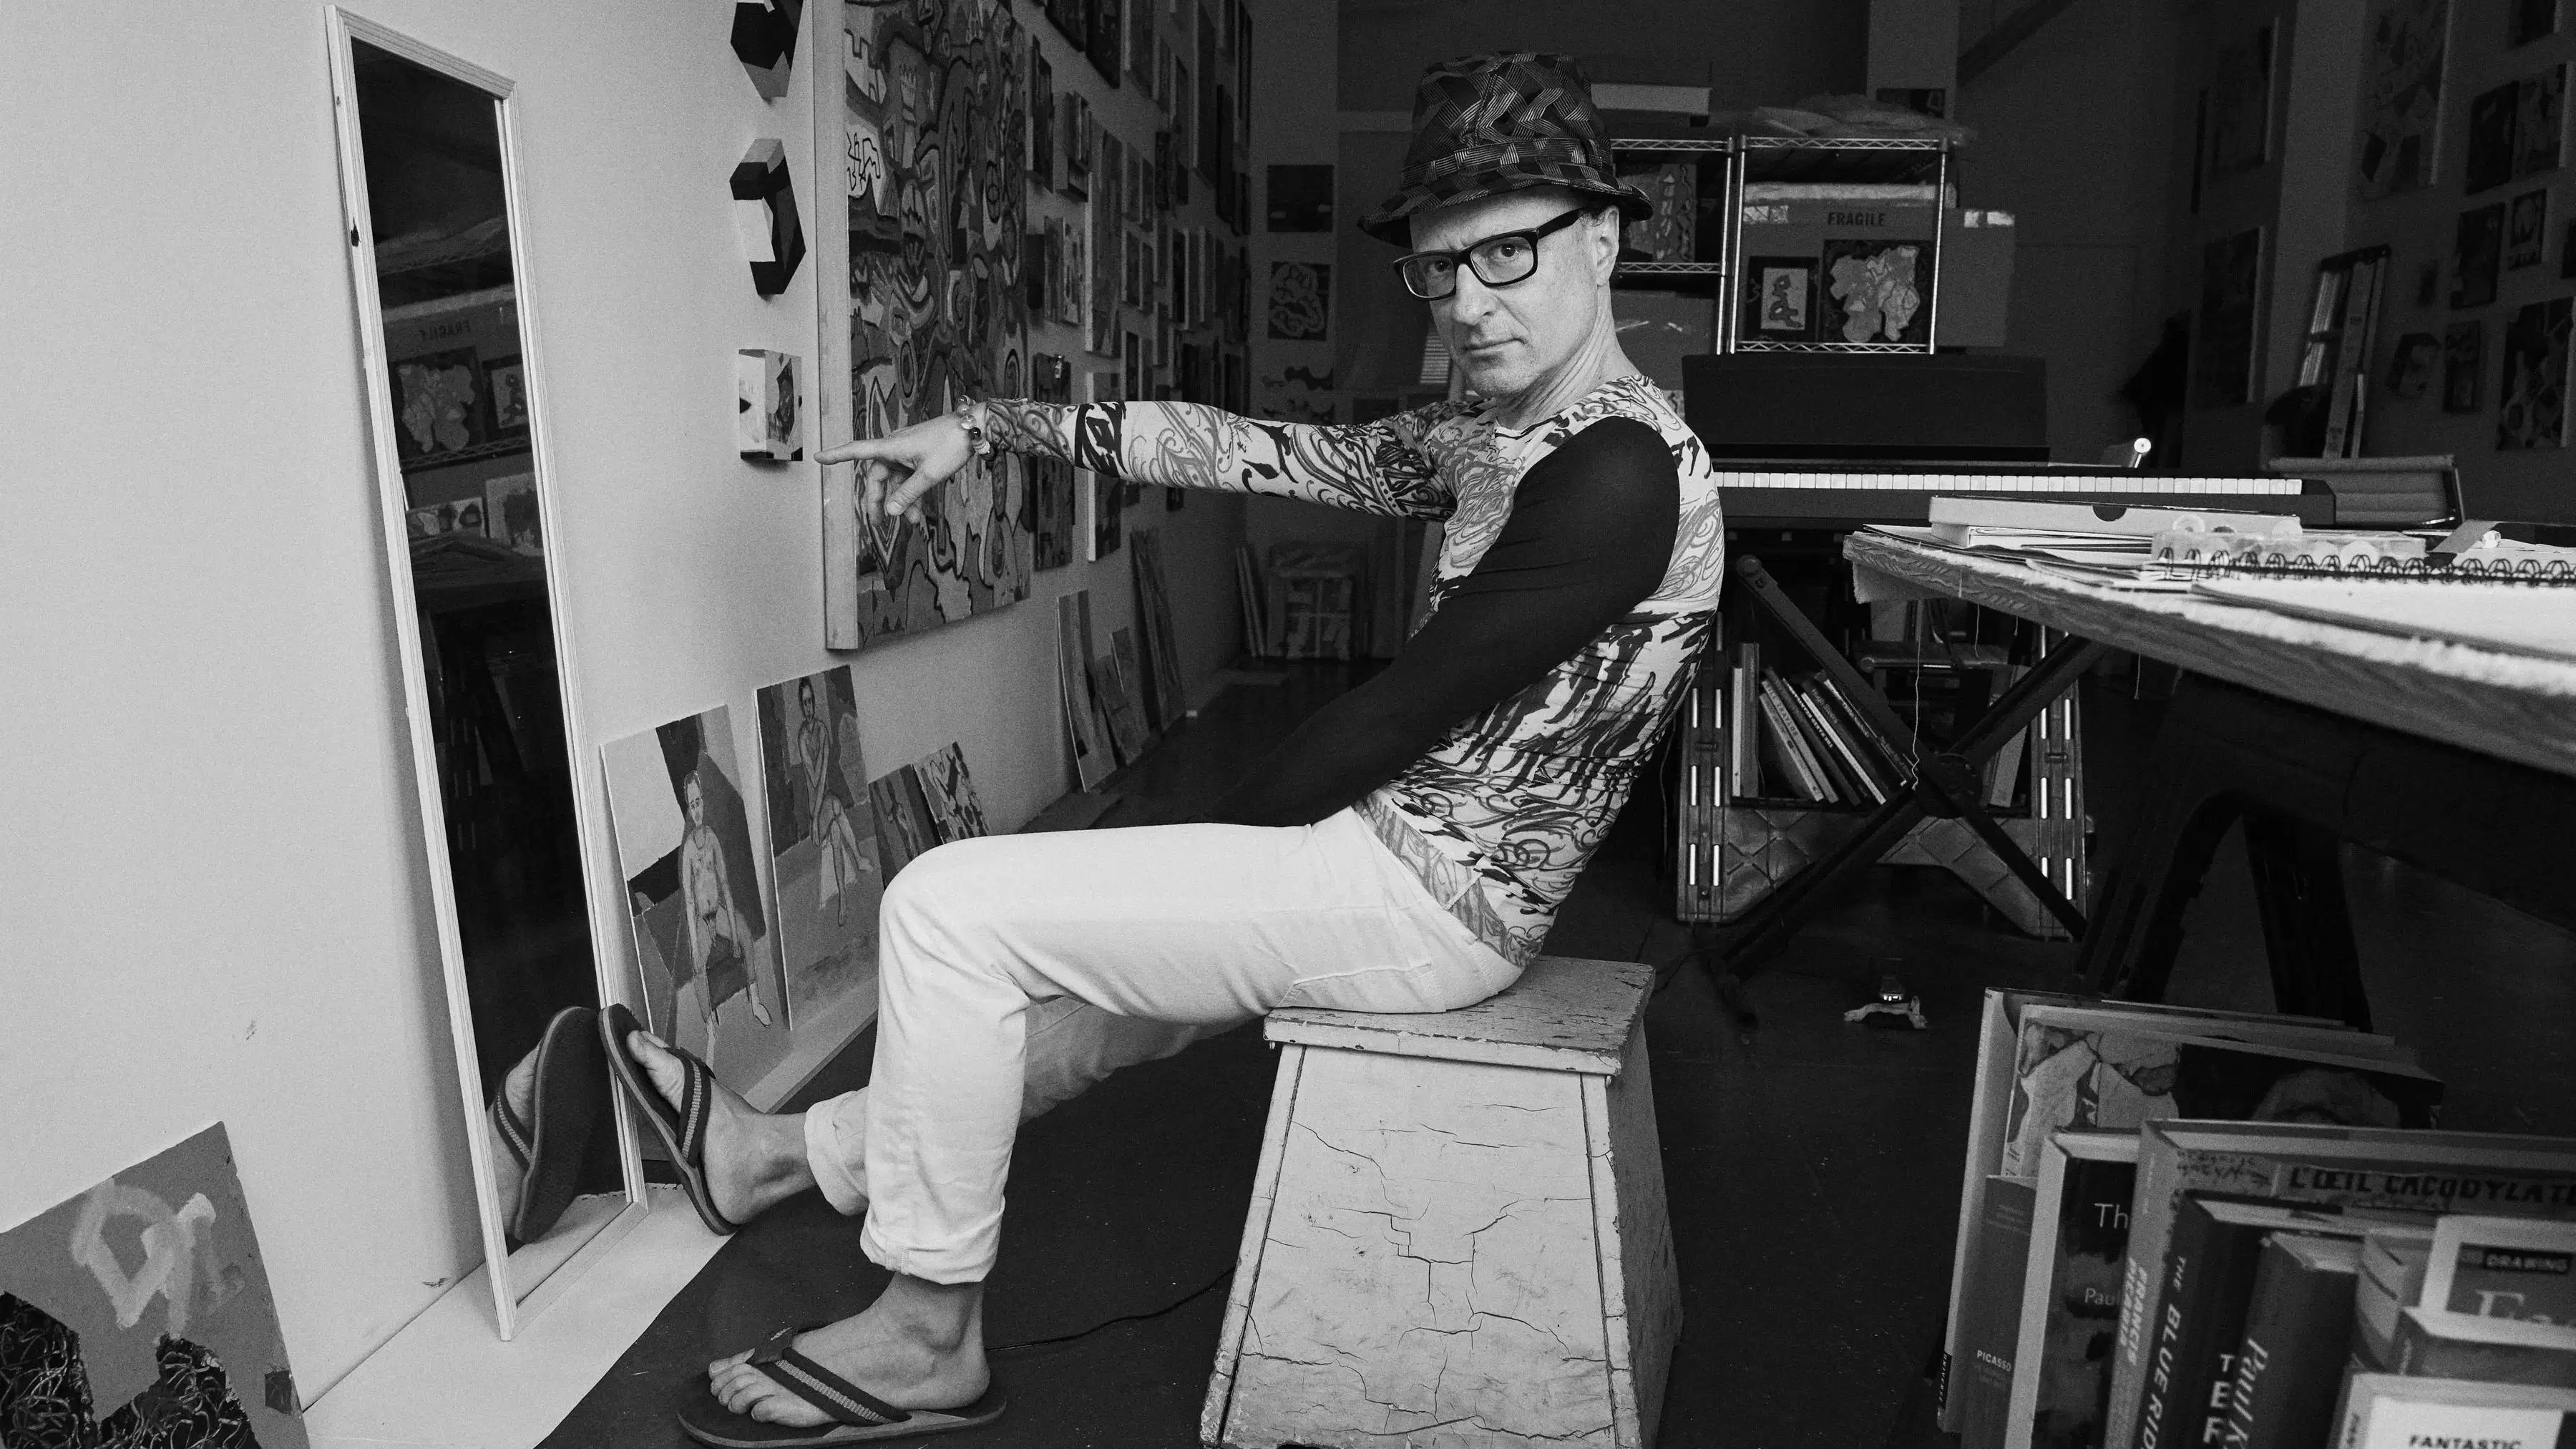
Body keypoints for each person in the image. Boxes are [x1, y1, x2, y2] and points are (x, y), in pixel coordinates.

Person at [614, 52, 1724, 1442]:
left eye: (1507, 254)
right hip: (1393, 866)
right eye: (1440, 270)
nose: (1470, 302)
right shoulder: (1506, 433)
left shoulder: (1617, 470)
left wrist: (1190, 860)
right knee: (1079, 1022)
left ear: (1605, 236)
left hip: (1434, 898)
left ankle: (923, 1333)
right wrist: (991, 425)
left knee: (948, 909)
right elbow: (1254, 450)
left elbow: (1397, 710)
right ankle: (773, 1155)